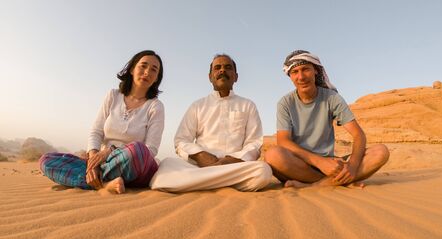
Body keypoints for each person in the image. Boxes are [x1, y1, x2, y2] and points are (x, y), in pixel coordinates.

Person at [40, 50, 165, 194]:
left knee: (139, 150)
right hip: (104, 162)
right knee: (46, 160)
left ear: (156, 78)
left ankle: (96, 181)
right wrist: (93, 162)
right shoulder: (113, 96)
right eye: (143, 66)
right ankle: (105, 183)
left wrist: (109, 152)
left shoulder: (155, 106)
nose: (147, 72)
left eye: (154, 70)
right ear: (132, 69)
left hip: (133, 164)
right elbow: (96, 131)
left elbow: (151, 149)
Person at [264, 50, 389, 188]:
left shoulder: (332, 98)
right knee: (273, 155)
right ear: (290, 76)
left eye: (306, 69)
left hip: (331, 163)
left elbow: (358, 134)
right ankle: (337, 181)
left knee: (380, 152)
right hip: (301, 164)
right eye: (295, 72)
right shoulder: (285, 103)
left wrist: (352, 166)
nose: (301, 76)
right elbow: (283, 141)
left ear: (316, 71)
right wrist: (319, 162)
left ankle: (315, 185)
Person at [150, 54, 272, 192]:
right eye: (217, 68)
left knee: (263, 171)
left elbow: (254, 142)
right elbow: (181, 140)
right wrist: (200, 155)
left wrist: (232, 160)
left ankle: (200, 183)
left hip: (235, 166)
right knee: (167, 164)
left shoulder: (248, 105)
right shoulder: (198, 106)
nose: (222, 71)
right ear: (210, 77)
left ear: (236, 77)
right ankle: (222, 182)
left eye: (227, 67)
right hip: (201, 166)